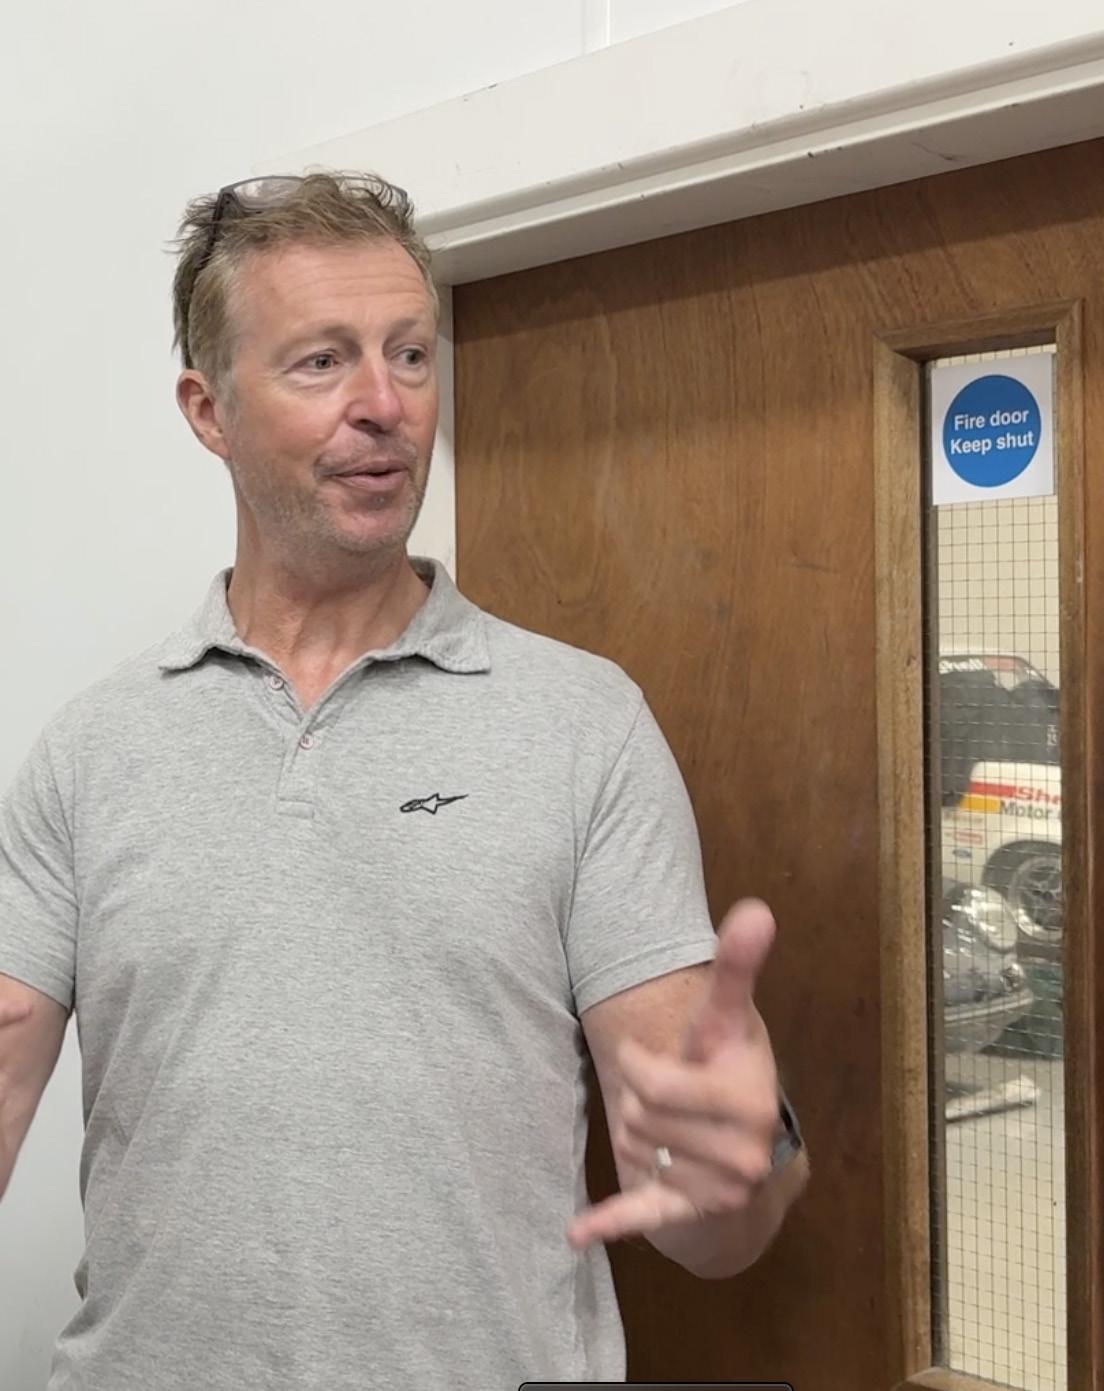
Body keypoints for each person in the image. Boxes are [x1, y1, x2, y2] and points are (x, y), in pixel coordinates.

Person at [0, 171, 808, 1390]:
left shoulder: (582, 724)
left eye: (411, 354)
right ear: (210, 410)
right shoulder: (92, 749)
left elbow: (707, 1221)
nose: (384, 404)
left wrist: (739, 1167)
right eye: (322, 361)